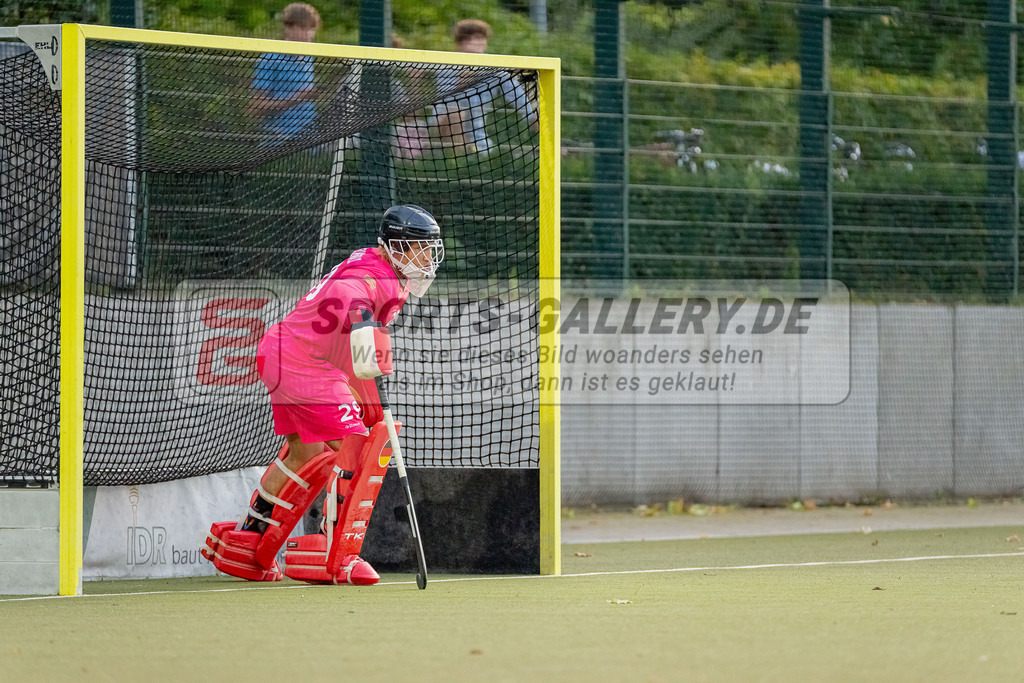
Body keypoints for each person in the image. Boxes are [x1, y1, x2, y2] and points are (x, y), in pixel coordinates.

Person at [202, 205, 445, 585]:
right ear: (398, 247)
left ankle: (250, 542)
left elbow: (349, 345)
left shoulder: (384, 270)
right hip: (303, 362)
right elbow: (351, 291)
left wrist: (369, 403)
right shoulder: (374, 276)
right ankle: (335, 553)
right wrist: (364, 320)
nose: (430, 258)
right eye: (423, 249)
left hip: (286, 353)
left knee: (307, 453)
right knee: (359, 448)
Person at [430, 19, 539, 155]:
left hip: (478, 138)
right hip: (444, 130)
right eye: (471, 38)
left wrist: (538, 121)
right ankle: (455, 161)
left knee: (537, 115)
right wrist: (467, 74)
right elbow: (448, 103)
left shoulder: (494, 69)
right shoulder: (445, 65)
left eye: (481, 38)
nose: (478, 42)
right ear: (460, 42)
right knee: (456, 114)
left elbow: (521, 101)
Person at [248, 3, 322, 139]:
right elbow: (255, 108)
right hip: (277, 144)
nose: (310, 34)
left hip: (308, 145)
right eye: (304, 28)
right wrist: (296, 99)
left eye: (312, 28)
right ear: (288, 28)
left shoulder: (308, 58)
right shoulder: (270, 59)